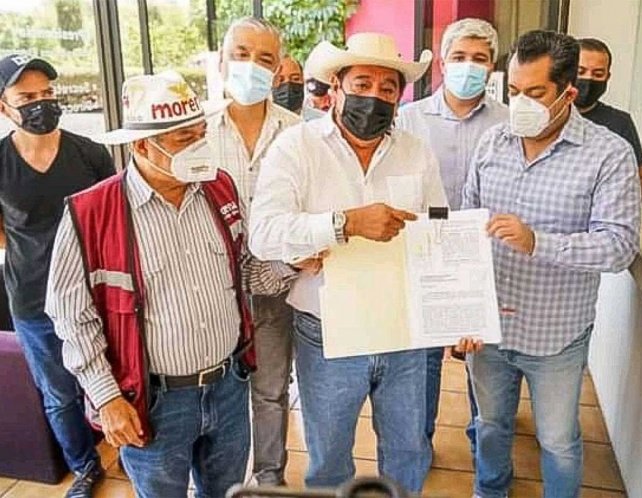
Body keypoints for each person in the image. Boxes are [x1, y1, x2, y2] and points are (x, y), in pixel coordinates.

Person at [45, 71, 296, 498]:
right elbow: (72, 317)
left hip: (228, 387)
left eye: (201, 135)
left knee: (227, 490)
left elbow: (246, 274)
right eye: (184, 139)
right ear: (142, 146)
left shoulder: (219, 188)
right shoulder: (92, 214)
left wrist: (292, 262)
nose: (200, 147)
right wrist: (107, 398)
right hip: (155, 402)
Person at [250, 32, 482, 492]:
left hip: (403, 330)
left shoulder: (416, 151)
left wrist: (461, 311)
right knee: (329, 456)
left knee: (408, 450)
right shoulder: (296, 147)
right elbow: (265, 234)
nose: (374, 96)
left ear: (398, 97)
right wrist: (344, 223)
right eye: (362, 84)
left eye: (387, 88)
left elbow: (439, 228)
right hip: (327, 332)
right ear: (335, 87)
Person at [462, 30, 641, 498]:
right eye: (514, 90)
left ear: (568, 93)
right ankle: (490, 491)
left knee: (559, 441)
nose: (521, 103)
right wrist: (461, 311)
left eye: (536, 92)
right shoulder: (492, 143)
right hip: (490, 328)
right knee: (491, 426)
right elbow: (466, 229)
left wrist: (538, 242)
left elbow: (619, 246)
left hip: (555, 333)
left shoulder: (609, 154)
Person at [0, 54, 115, 498]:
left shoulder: (91, 154)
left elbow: (113, 221)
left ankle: (126, 444)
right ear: (5, 106)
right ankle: (85, 467)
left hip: (96, 294)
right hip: (33, 300)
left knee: (113, 376)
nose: (41, 104)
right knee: (59, 393)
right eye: (27, 97)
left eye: (47, 93)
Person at [397, 17, 508, 452]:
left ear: (492, 65)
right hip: (426, 253)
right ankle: (420, 443)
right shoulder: (409, 119)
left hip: (487, 255)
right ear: (443, 63)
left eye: (479, 58)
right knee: (424, 359)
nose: (468, 65)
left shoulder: (507, 122)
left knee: (484, 358)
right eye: (459, 57)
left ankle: (484, 443)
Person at [207, 16, 300, 486]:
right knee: (217, 393)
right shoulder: (196, 131)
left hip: (276, 284)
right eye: (240, 54)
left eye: (264, 58)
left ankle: (269, 478)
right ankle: (219, 479)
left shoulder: (298, 133)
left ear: (278, 68)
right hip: (211, 288)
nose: (251, 66)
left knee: (270, 390)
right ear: (221, 61)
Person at [575, 37, 642, 198]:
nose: (589, 79)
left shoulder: (620, 122)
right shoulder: (546, 116)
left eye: (598, 74)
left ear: (607, 77)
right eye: (580, 72)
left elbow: (641, 182)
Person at [273, 55, 324, 121]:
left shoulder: (320, 121)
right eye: (280, 80)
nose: (288, 84)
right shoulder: (262, 120)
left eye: (295, 79)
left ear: (303, 80)